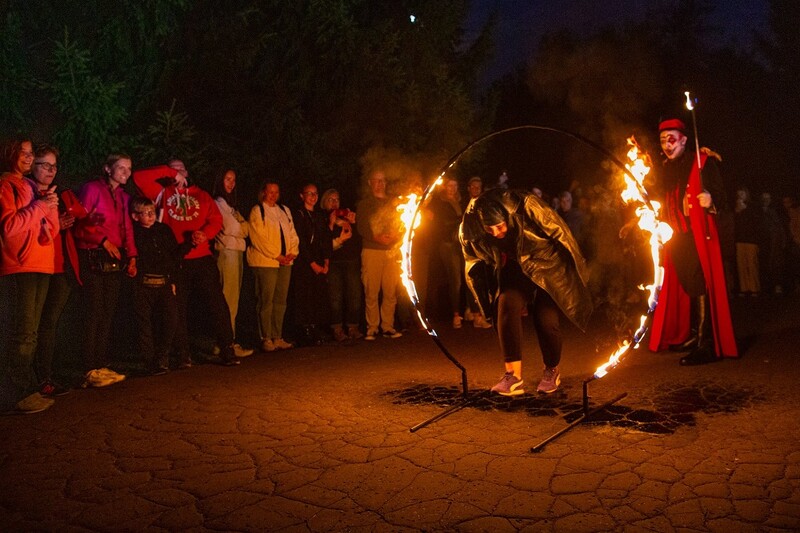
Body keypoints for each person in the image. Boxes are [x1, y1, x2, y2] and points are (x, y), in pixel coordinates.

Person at [460, 188, 593, 396]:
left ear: (507, 216)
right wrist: (486, 308)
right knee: (506, 305)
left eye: (499, 227)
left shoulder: (528, 205)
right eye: (490, 229)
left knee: (545, 319)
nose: (496, 233)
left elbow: (562, 233)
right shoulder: (470, 225)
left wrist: (579, 272)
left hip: (547, 263)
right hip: (516, 266)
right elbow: (472, 264)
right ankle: (513, 376)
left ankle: (552, 369)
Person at [647, 118, 737, 365]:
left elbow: (722, 197)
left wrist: (711, 200)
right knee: (688, 284)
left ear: (684, 140)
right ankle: (696, 334)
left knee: (701, 283)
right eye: (663, 140)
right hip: (675, 238)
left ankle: (706, 343)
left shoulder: (702, 162)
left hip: (698, 236)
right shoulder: (664, 168)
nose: (667, 144)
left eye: (672, 138)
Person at [132, 159, 240, 367]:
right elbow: (138, 177)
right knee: (177, 307)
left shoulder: (202, 195)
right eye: (173, 169)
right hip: (176, 259)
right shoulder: (162, 193)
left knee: (216, 302)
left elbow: (216, 219)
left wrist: (205, 234)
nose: (177, 172)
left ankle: (227, 347)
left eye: (180, 169)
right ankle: (183, 353)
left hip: (201, 256)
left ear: (188, 172)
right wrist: (171, 173)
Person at [0, 138, 60, 413]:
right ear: (9, 153)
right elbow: (9, 227)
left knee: (31, 333)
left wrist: (50, 207)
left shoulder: (29, 186)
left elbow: (52, 230)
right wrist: (39, 208)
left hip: (40, 263)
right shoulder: (6, 185)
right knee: (20, 333)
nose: (27, 157)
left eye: (29, 152)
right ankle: (15, 395)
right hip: (19, 265)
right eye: (22, 152)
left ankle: (27, 389)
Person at [73, 153, 137, 387]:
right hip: (94, 255)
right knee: (94, 311)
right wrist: (103, 241)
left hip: (115, 258)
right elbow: (81, 224)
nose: (126, 173)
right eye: (121, 168)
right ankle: (88, 369)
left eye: (129, 168)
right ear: (108, 169)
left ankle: (99, 364)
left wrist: (132, 256)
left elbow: (126, 228)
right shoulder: (91, 190)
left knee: (108, 312)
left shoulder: (123, 196)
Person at [31, 144, 83, 397]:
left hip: (60, 267)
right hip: (36, 267)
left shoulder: (57, 194)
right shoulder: (26, 192)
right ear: (32, 166)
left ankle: (47, 376)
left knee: (50, 323)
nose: (52, 170)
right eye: (45, 165)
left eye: (54, 166)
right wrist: (54, 223)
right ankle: (32, 379)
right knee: (30, 326)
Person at [130, 196, 181, 375]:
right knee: (144, 323)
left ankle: (163, 355)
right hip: (143, 283)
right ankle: (149, 361)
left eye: (152, 212)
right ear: (135, 216)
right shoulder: (133, 233)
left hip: (164, 282)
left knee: (171, 319)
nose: (151, 216)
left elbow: (173, 256)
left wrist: (173, 280)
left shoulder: (163, 230)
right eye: (146, 213)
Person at [246, 181, 299, 352]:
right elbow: (258, 238)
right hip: (266, 262)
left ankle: (278, 335)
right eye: (270, 192)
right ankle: (265, 337)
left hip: (285, 261)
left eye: (276, 192)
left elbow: (292, 232)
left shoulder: (284, 210)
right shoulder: (258, 211)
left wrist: (292, 252)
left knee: (280, 300)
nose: (273, 195)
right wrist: (277, 255)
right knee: (266, 300)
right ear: (263, 193)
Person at [357, 170, 403, 340]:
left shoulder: (394, 203)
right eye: (377, 181)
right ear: (370, 182)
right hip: (372, 250)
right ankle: (372, 327)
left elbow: (401, 223)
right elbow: (361, 226)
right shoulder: (364, 204)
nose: (380, 184)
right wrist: (376, 237)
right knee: (372, 290)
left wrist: (394, 236)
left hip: (391, 251)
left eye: (383, 181)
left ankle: (388, 326)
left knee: (391, 290)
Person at [212, 169, 253, 357]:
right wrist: (242, 226)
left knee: (233, 298)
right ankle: (227, 342)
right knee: (228, 298)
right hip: (227, 251)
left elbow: (245, 228)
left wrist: (242, 227)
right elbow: (233, 227)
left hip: (236, 250)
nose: (231, 183)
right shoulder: (218, 203)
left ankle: (227, 340)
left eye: (234, 180)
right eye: (227, 179)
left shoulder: (231, 205)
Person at [292, 183, 333, 345]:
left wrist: (326, 261)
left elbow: (326, 239)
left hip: (319, 259)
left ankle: (316, 328)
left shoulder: (320, 216)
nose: (313, 196)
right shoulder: (299, 214)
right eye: (309, 193)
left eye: (315, 193)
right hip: (305, 262)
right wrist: (312, 263)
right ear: (302, 196)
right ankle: (305, 331)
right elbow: (301, 241)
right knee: (305, 296)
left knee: (318, 296)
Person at [320, 189, 363, 341]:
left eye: (337, 199)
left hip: (351, 260)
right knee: (335, 297)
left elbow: (358, 240)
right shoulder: (322, 219)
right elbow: (323, 244)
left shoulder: (346, 217)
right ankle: (337, 328)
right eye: (330, 199)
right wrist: (331, 224)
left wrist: (353, 223)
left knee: (354, 295)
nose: (334, 202)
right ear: (324, 202)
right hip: (334, 262)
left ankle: (353, 327)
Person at [428, 177, 465, 328]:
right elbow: (439, 224)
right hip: (448, 243)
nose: (452, 188)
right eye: (450, 185)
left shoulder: (462, 201)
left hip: (462, 243)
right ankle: (456, 314)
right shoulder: (440, 203)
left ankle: (469, 310)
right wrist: (458, 221)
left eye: (455, 185)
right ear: (444, 187)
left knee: (468, 277)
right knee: (455, 279)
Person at [462, 176, 492, 329]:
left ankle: (483, 314)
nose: (475, 190)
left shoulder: (483, 204)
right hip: (468, 249)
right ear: (468, 188)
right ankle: (476, 315)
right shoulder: (464, 205)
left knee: (482, 282)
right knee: (472, 281)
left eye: (478, 187)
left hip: (481, 248)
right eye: (473, 187)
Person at [733, 187, 760, 296]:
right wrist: (738, 210)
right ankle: (744, 288)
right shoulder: (735, 208)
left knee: (752, 264)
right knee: (741, 265)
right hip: (740, 240)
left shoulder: (753, 207)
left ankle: (754, 288)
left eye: (742, 193)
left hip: (751, 240)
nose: (740, 196)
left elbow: (756, 222)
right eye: (738, 194)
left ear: (746, 194)